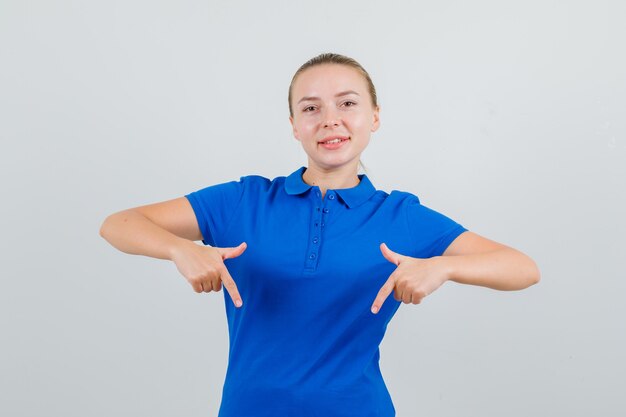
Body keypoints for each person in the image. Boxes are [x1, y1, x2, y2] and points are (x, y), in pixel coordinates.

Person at [99, 52, 540, 416]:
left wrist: (443, 267)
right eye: (311, 108)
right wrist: (180, 249)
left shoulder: (400, 215)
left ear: (375, 118)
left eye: (347, 104)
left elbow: (522, 268)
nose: (330, 120)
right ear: (294, 124)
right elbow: (118, 223)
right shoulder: (243, 201)